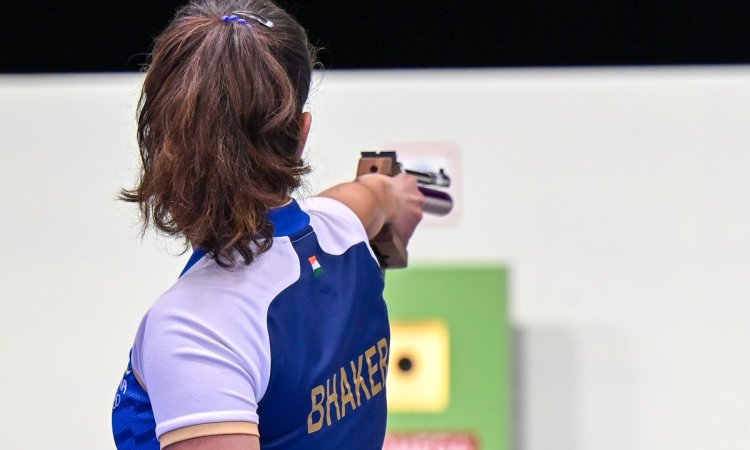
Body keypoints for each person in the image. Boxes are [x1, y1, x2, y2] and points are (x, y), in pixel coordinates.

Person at [110, 1, 425, 449]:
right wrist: (401, 199)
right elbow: (382, 194)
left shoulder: (196, 328)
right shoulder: (343, 227)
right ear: (301, 133)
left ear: (162, 139)